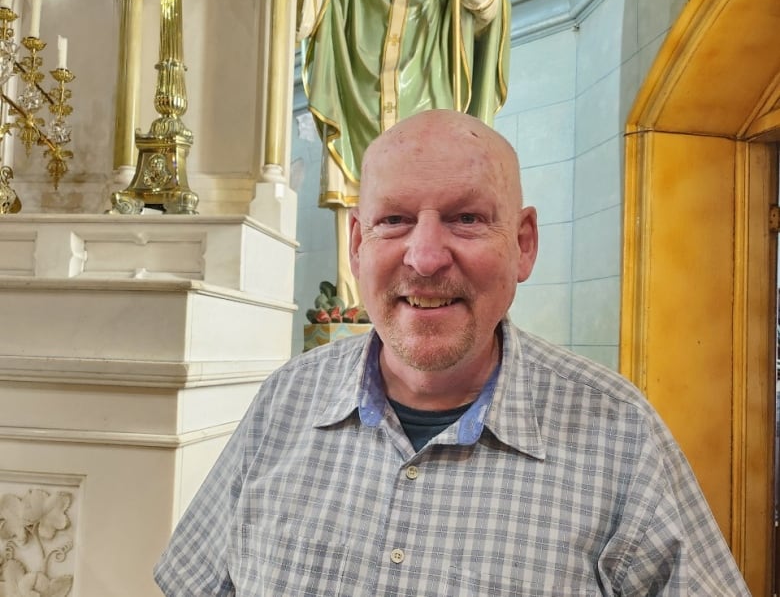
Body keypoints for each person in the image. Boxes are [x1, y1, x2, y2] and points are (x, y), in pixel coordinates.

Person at [154, 109, 751, 595]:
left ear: (522, 245)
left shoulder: (621, 437)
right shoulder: (284, 402)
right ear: (358, 245)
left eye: (466, 218)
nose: (426, 256)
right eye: (394, 220)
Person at [296, 0, 510, 308]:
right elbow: (322, 6)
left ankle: (442, 301)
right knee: (355, 197)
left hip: (429, 92)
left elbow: (484, 6)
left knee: (441, 204)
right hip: (360, 100)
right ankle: (355, 305)